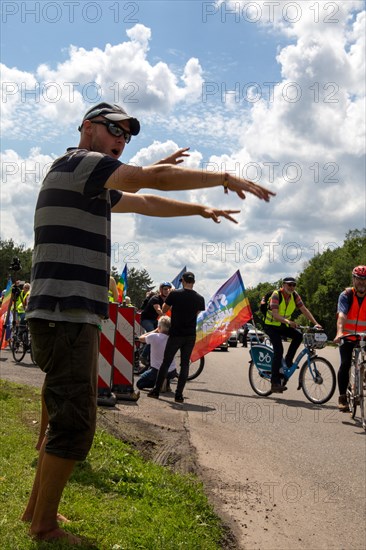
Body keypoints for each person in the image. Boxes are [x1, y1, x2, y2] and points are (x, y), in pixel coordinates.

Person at [23, 101, 274, 544]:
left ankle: (37, 512)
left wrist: (198, 210)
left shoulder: (85, 177)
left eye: (128, 134)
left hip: (62, 314)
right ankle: (44, 526)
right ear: (86, 127)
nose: (121, 138)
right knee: (76, 423)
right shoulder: (83, 164)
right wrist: (222, 178)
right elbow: (151, 179)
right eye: (113, 129)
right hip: (67, 315)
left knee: (65, 413)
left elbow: (144, 200)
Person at [148, 271, 205, 403]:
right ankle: (179, 395)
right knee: (185, 365)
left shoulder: (175, 294)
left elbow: (164, 308)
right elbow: (196, 314)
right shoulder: (200, 298)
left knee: (166, 362)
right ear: (194, 282)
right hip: (190, 335)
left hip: (176, 333)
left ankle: (156, 391)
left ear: (182, 281)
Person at [264, 276, 322, 393]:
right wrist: (288, 322)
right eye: (289, 284)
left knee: (298, 336)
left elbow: (304, 310)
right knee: (278, 350)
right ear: (283, 285)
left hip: (283, 326)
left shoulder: (294, 295)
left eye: (294, 285)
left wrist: (316, 323)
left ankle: (288, 361)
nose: (292, 287)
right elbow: (275, 315)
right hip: (271, 326)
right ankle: (274, 382)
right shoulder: (276, 295)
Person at [333, 266, 366, 411]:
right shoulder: (346, 295)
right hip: (347, 335)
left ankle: (360, 380)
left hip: (363, 336)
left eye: (364, 280)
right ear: (353, 279)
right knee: (345, 364)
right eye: (358, 279)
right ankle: (342, 397)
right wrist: (340, 332)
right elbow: (342, 315)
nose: (361, 282)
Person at [136, 315, 177, 391]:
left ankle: (158, 384)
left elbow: (141, 338)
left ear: (159, 327)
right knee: (166, 369)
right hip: (172, 371)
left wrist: (154, 331)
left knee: (139, 383)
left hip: (157, 371)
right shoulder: (172, 339)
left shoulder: (154, 336)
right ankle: (166, 382)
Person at [139, 282, 173, 366]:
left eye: (168, 289)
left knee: (160, 335)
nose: (167, 291)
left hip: (155, 320)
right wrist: (164, 316)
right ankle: (143, 356)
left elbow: (172, 310)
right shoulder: (156, 298)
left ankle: (151, 359)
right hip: (146, 319)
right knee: (154, 336)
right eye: (165, 289)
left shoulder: (167, 300)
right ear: (161, 290)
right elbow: (158, 309)